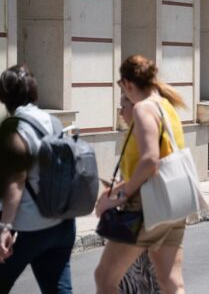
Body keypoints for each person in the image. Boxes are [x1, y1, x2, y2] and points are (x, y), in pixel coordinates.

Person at [94, 55, 186, 294]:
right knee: (170, 282)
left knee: (105, 278)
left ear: (127, 84)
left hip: (147, 206)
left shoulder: (144, 109)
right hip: (174, 203)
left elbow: (149, 161)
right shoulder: (167, 107)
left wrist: (118, 194)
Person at [0, 65, 76, 293]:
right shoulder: (53, 122)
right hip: (62, 225)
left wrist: (5, 227)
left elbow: (16, 182)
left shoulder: (16, 130)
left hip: (29, 229)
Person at [117, 93, 160, 294]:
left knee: (134, 274)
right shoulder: (134, 131)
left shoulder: (143, 131)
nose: (120, 113)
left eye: (122, 106)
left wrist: (123, 190)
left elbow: (150, 165)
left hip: (143, 212)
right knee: (145, 275)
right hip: (141, 211)